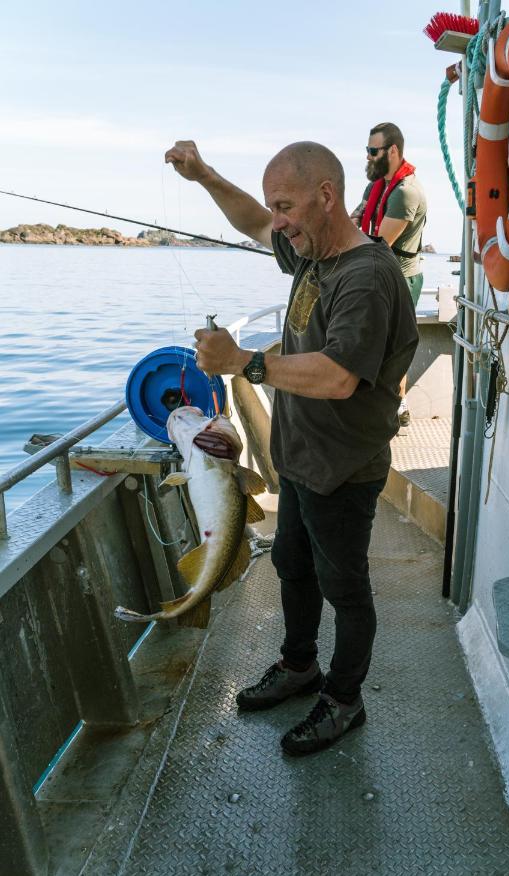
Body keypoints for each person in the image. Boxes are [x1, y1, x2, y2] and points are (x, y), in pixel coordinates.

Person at [165, 139, 418, 756]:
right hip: (300, 459)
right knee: (293, 566)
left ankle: (343, 700)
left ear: (325, 198)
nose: (277, 222)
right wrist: (203, 176)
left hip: (345, 469)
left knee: (346, 587)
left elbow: (338, 376)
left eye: (287, 206)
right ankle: (300, 665)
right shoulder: (312, 251)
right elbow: (252, 220)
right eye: (277, 207)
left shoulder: (366, 276)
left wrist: (242, 362)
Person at [351, 123, 427, 426]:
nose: (368, 157)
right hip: (376, 273)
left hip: (401, 280)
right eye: (367, 151)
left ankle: (396, 407)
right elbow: (356, 218)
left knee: (391, 348)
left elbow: (378, 245)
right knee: (374, 343)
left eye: (373, 151)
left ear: (392, 151)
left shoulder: (406, 193)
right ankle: (384, 404)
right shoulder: (375, 188)